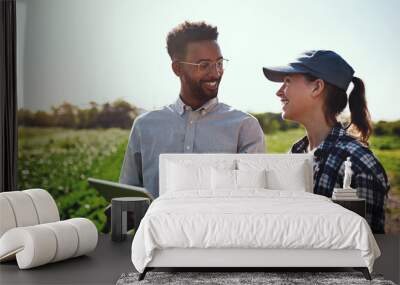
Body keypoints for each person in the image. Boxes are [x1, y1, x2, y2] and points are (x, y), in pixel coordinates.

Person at [120, 21, 265, 198]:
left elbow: (252, 200)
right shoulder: (144, 127)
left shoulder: (245, 127)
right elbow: (127, 198)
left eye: (219, 63)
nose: (215, 73)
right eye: (204, 65)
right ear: (177, 68)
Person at [262, 50, 390, 233]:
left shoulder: (359, 165)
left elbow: (364, 251)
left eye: (288, 81)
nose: (279, 92)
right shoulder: (294, 155)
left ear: (317, 87)